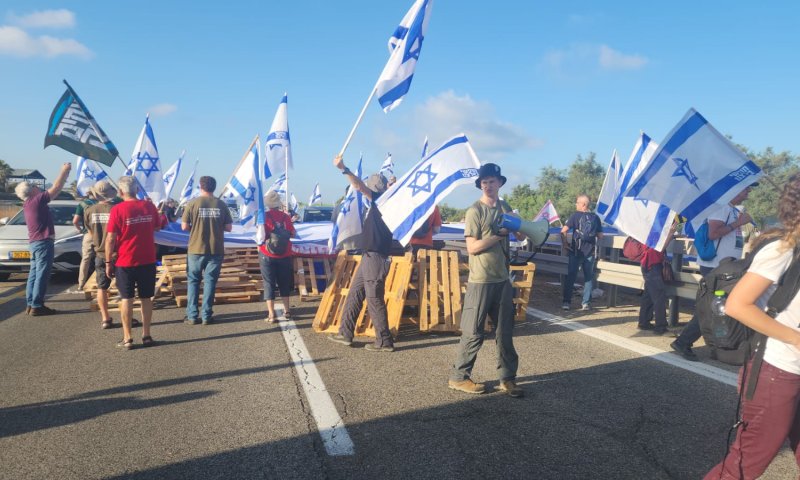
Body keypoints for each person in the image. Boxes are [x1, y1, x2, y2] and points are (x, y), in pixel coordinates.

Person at [704, 174, 800, 479]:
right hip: (778, 370)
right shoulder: (783, 250)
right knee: (743, 467)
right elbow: (737, 305)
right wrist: (796, 338)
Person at [449, 163, 526, 398]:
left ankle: (507, 379)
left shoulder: (505, 207)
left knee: (505, 333)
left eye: (492, 181)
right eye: (484, 182)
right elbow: (472, 248)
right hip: (480, 281)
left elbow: (521, 235)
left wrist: (518, 223)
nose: (488, 185)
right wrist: (498, 235)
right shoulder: (475, 211)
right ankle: (459, 378)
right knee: (473, 332)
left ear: (499, 183)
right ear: (480, 185)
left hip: (502, 280)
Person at [671, 182, 757, 361]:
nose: (749, 191)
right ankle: (683, 342)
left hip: (723, 267)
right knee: (712, 308)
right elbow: (713, 234)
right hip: (715, 266)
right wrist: (739, 223)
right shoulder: (721, 208)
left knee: (717, 307)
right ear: (735, 189)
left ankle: (715, 347)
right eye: (746, 188)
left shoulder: (731, 209)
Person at [327, 154, 395, 352]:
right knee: (356, 292)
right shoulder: (382, 202)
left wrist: (344, 169)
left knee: (374, 298)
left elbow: (358, 186)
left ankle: (384, 341)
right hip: (369, 255)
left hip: (376, 256)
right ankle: (345, 333)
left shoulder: (381, 201)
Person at [105, 176, 166, 350]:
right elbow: (157, 227)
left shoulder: (117, 210)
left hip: (125, 261)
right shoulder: (148, 206)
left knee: (127, 298)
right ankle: (146, 335)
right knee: (146, 298)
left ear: (120, 192)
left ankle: (128, 338)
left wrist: (108, 261)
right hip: (147, 259)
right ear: (137, 190)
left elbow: (110, 238)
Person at [15, 162, 71, 316]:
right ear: (32, 190)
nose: (38, 187)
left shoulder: (28, 203)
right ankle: (37, 305)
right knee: (42, 274)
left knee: (34, 274)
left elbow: (54, 190)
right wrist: (64, 171)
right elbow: (56, 188)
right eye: (35, 186)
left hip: (35, 242)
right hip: (43, 242)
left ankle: (31, 303)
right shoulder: (37, 200)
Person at [181, 176, 233, 325]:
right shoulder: (221, 204)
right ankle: (206, 315)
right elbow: (229, 227)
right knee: (210, 282)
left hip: (195, 248)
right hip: (215, 248)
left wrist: (196, 228)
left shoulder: (192, 203)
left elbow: (184, 226)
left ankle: (192, 316)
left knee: (193, 281)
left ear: (201, 186)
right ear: (214, 187)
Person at [84, 180, 121, 329]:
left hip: (100, 253)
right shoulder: (117, 209)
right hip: (118, 253)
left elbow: (90, 232)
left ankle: (105, 318)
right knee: (123, 287)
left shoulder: (89, 210)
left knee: (102, 287)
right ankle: (126, 316)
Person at [560, 195, 603, 311]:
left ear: (583, 204)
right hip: (590, 252)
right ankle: (586, 303)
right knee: (588, 278)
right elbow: (600, 236)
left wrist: (565, 244)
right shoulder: (595, 217)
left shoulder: (575, 216)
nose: (576, 204)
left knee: (571, 277)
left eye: (577, 202)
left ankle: (566, 302)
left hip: (576, 251)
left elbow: (563, 231)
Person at [259, 190, 296, 323]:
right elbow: (293, 233)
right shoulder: (286, 217)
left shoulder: (263, 216)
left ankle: (271, 314)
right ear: (278, 204)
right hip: (285, 254)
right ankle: (287, 311)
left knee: (269, 283)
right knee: (284, 282)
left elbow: (260, 236)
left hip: (267, 253)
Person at [637, 223, 678, 335]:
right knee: (659, 296)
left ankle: (644, 322)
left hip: (647, 265)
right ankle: (660, 327)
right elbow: (660, 248)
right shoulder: (654, 232)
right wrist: (671, 233)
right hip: (653, 265)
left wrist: (670, 235)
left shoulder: (648, 230)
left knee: (648, 295)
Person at [73, 189, 98, 291]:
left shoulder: (82, 205)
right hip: (101, 234)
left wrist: (80, 230)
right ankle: (100, 281)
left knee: (85, 259)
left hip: (88, 233)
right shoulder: (102, 204)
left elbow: (75, 221)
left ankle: (81, 283)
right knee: (102, 257)